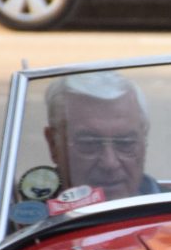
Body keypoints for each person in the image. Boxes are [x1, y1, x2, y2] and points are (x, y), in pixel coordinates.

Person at [18, 70, 159, 221]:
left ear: (143, 141)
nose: (109, 163)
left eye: (125, 143)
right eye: (89, 144)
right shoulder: (20, 220)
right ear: (53, 144)